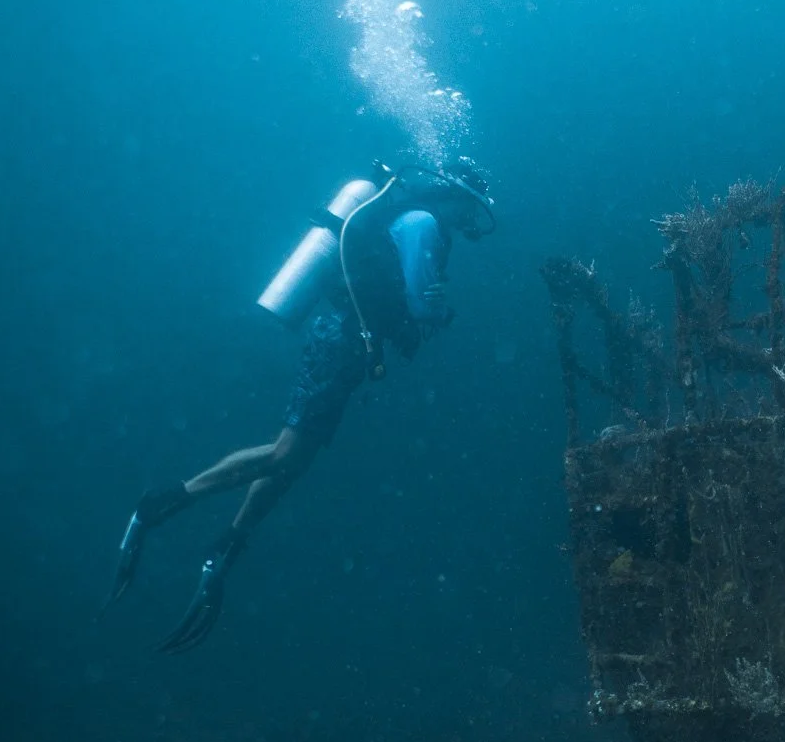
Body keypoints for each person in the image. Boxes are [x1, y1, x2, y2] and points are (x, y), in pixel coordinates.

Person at [104, 160, 494, 652]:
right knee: (285, 454)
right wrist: (440, 309)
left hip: (349, 344)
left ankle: (227, 545)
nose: (470, 218)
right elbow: (422, 307)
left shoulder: (416, 220)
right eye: (469, 206)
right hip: (343, 342)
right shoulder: (423, 224)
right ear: (453, 195)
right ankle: (160, 504)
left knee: (294, 462)